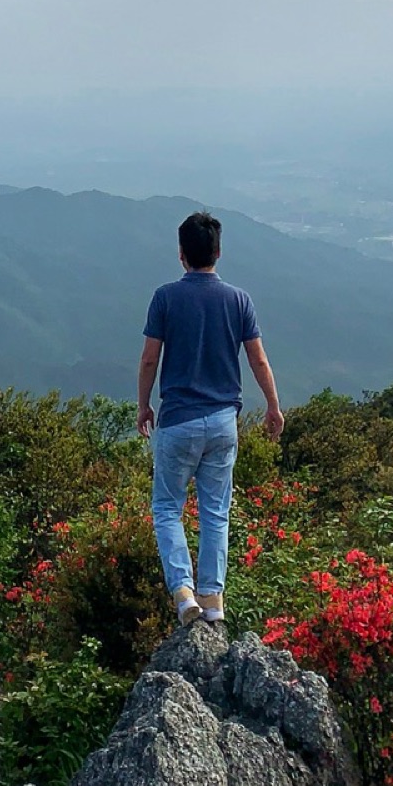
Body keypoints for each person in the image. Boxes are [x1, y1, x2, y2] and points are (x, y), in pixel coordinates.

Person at [137, 209, 282, 627]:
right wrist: (272, 405)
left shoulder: (165, 297)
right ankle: (213, 600)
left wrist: (144, 404)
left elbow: (150, 359)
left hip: (179, 420)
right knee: (216, 511)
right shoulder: (238, 300)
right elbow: (257, 358)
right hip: (223, 422)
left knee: (167, 508)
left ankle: (183, 595)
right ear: (218, 252)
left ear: (181, 254)